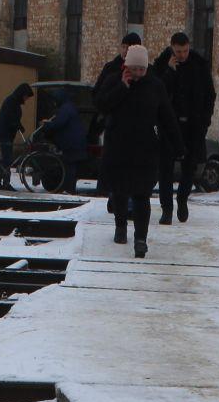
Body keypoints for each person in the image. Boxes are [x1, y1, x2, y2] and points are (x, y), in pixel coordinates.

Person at [97, 44, 182, 257]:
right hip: (118, 148)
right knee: (120, 192)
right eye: (134, 69)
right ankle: (120, 227)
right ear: (127, 66)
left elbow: (167, 116)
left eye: (141, 69)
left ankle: (141, 239)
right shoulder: (114, 80)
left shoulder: (155, 86)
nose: (138, 73)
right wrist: (122, 87)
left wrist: (178, 145)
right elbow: (101, 105)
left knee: (142, 195)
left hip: (145, 149)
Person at [156, 31, 216, 224]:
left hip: (193, 125)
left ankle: (182, 199)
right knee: (165, 168)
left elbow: (210, 95)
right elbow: (157, 92)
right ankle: (166, 208)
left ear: (189, 47)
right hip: (169, 124)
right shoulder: (163, 64)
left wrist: (205, 121)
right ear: (172, 48)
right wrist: (169, 71)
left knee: (189, 167)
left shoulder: (199, 65)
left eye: (185, 51)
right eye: (178, 51)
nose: (182, 55)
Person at [94, 32, 141, 234]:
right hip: (114, 128)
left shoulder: (144, 72)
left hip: (136, 131)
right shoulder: (111, 69)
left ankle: (125, 204)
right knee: (115, 169)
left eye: (131, 48)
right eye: (124, 47)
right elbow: (98, 97)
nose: (126, 52)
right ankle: (116, 199)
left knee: (130, 172)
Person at [40, 91, 90, 191]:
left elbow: (58, 123)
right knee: (70, 166)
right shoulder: (69, 107)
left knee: (69, 166)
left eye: (55, 100)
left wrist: (46, 125)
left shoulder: (65, 109)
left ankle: (69, 189)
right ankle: (69, 188)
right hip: (76, 142)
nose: (54, 103)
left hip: (72, 143)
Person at [0, 81, 32, 190]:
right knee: (7, 159)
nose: (26, 99)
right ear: (22, 93)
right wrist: (18, 125)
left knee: (6, 158)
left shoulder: (14, 101)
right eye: (26, 96)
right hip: (5, 133)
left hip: (7, 133)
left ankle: (1, 182)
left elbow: (13, 118)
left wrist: (18, 125)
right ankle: (1, 182)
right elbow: (10, 118)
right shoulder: (12, 101)